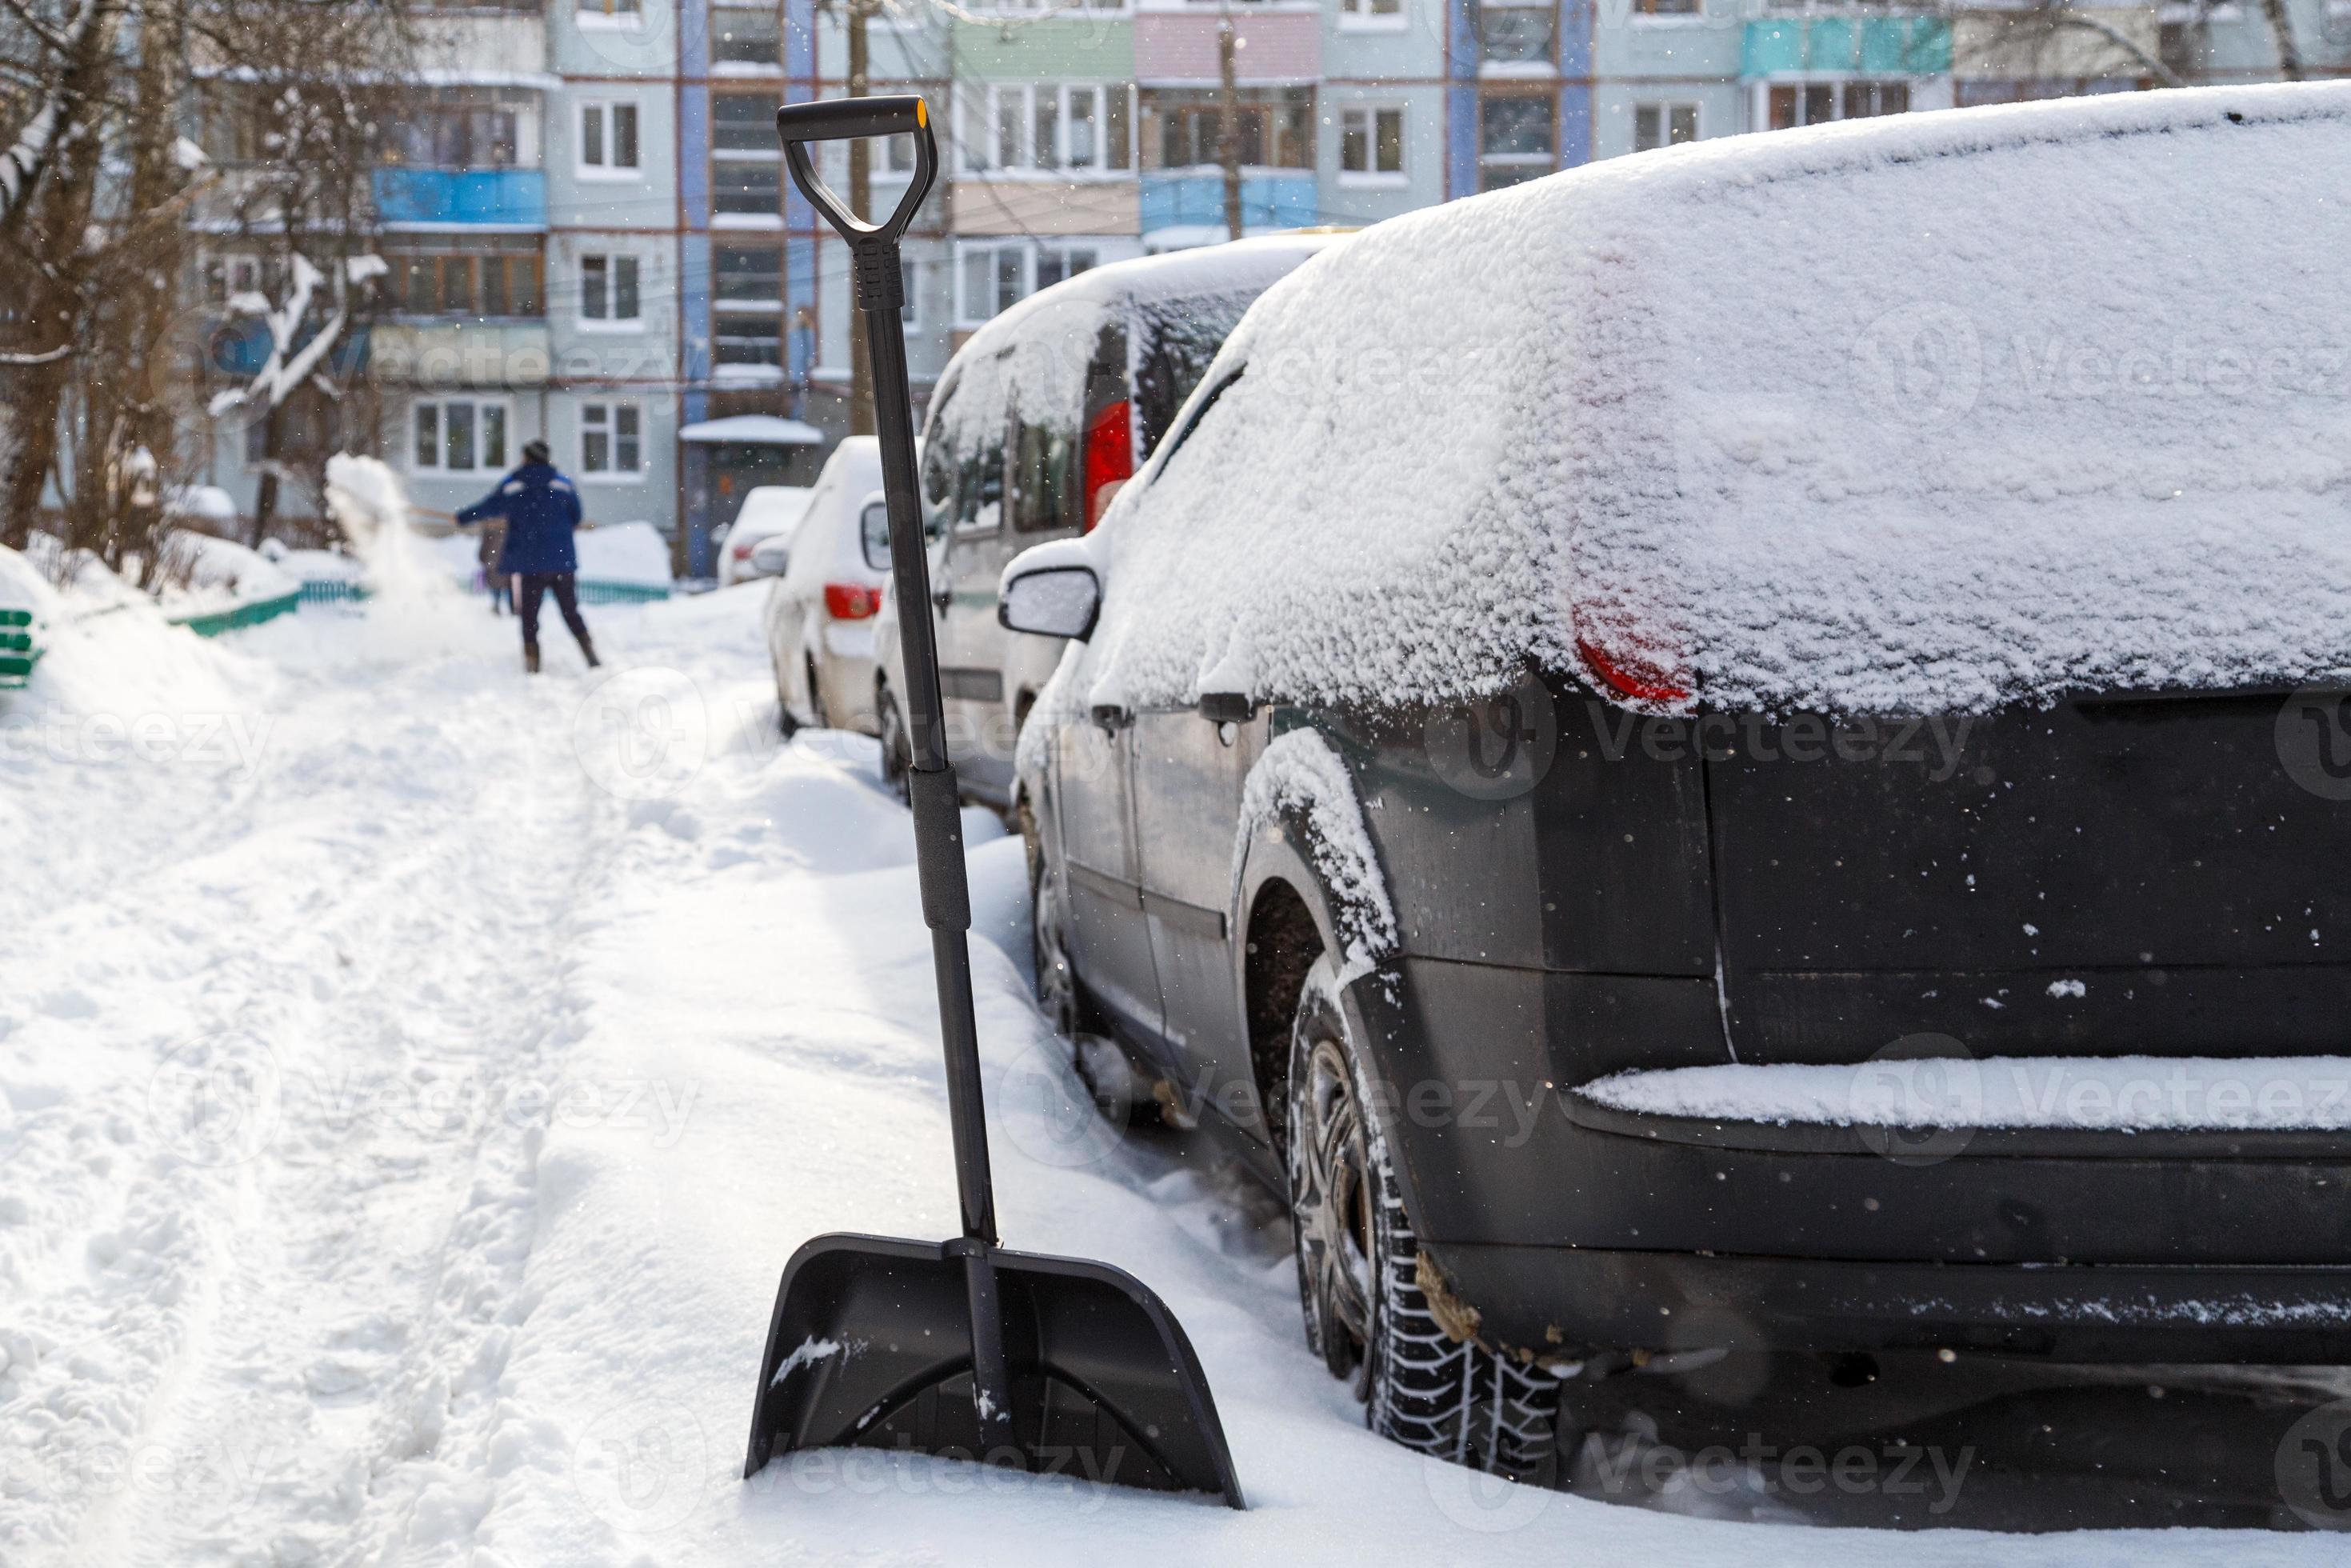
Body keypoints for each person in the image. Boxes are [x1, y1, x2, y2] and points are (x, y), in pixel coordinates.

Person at [456, 439, 599, 674]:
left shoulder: (514, 485)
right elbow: (576, 515)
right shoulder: (563, 484)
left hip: (530, 563)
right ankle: (590, 654)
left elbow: (489, 506)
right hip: (561, 561)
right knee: (570, 610)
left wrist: (462, 517)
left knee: (529, 616)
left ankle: (533, 664)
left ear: (527, 458)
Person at [476, 514, 511, 615]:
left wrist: (482, 557)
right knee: (508, 586)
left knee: (495, 586)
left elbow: (484, 546)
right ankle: (511, 607)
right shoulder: (510, 526)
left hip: (493, 561)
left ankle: (497, 604)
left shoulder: (490, 527)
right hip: (506, 562)